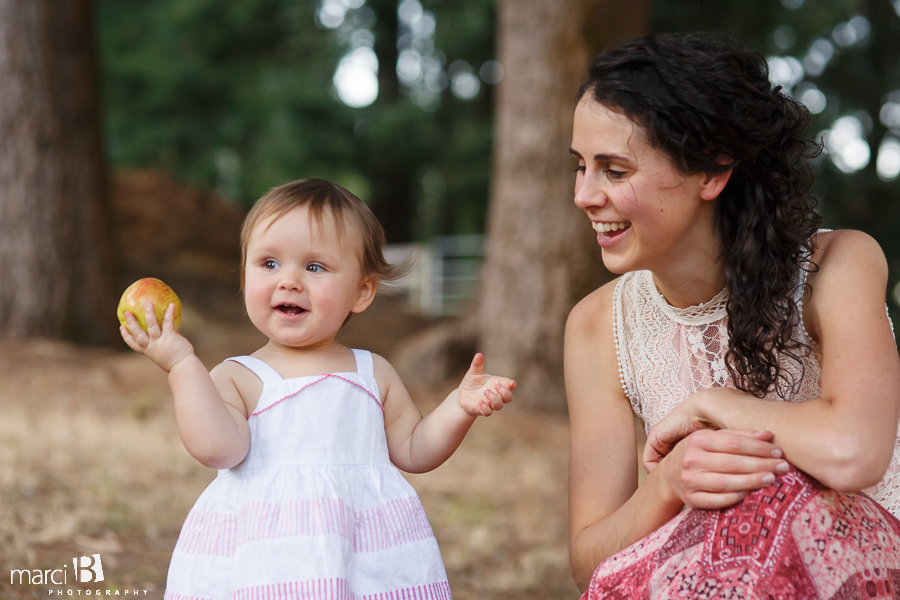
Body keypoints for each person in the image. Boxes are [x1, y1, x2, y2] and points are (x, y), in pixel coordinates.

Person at [565, 32, 900, 598]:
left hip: (862, 568)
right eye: (581, 166)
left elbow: (854, 453)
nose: (584, 195)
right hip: (716, 578)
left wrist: (713, 405)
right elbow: (590, 563)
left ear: (712, 173)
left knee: (772, 500)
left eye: (614, 171)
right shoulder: (598, 326)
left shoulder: (837, 266)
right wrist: (668, 482)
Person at [119, 178, 516, 600]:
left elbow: (415, 451)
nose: (289, 280)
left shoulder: (372, 372)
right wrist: (182, 366)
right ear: (244, 275)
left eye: (314, 267)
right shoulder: (238, 377)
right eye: (269, 264)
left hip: (364, 559)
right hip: (266, 562)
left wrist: (459, 406)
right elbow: (219, 449)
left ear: (362, 291)